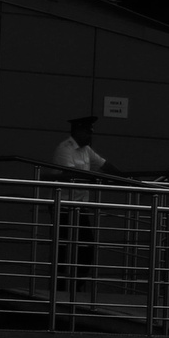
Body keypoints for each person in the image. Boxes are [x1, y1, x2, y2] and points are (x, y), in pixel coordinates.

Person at [52, 115, 110, 301]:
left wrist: (127, 179)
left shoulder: (86, 150)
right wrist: (94, 178)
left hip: (79, 207)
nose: (90, 135)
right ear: (77, 132)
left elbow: (104, 164)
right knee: (63, 250)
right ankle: (60, 289)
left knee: (86, 248)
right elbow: (70, 174)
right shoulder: (65, 148)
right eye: (87, 131)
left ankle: (74, 286)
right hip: (64, 208)